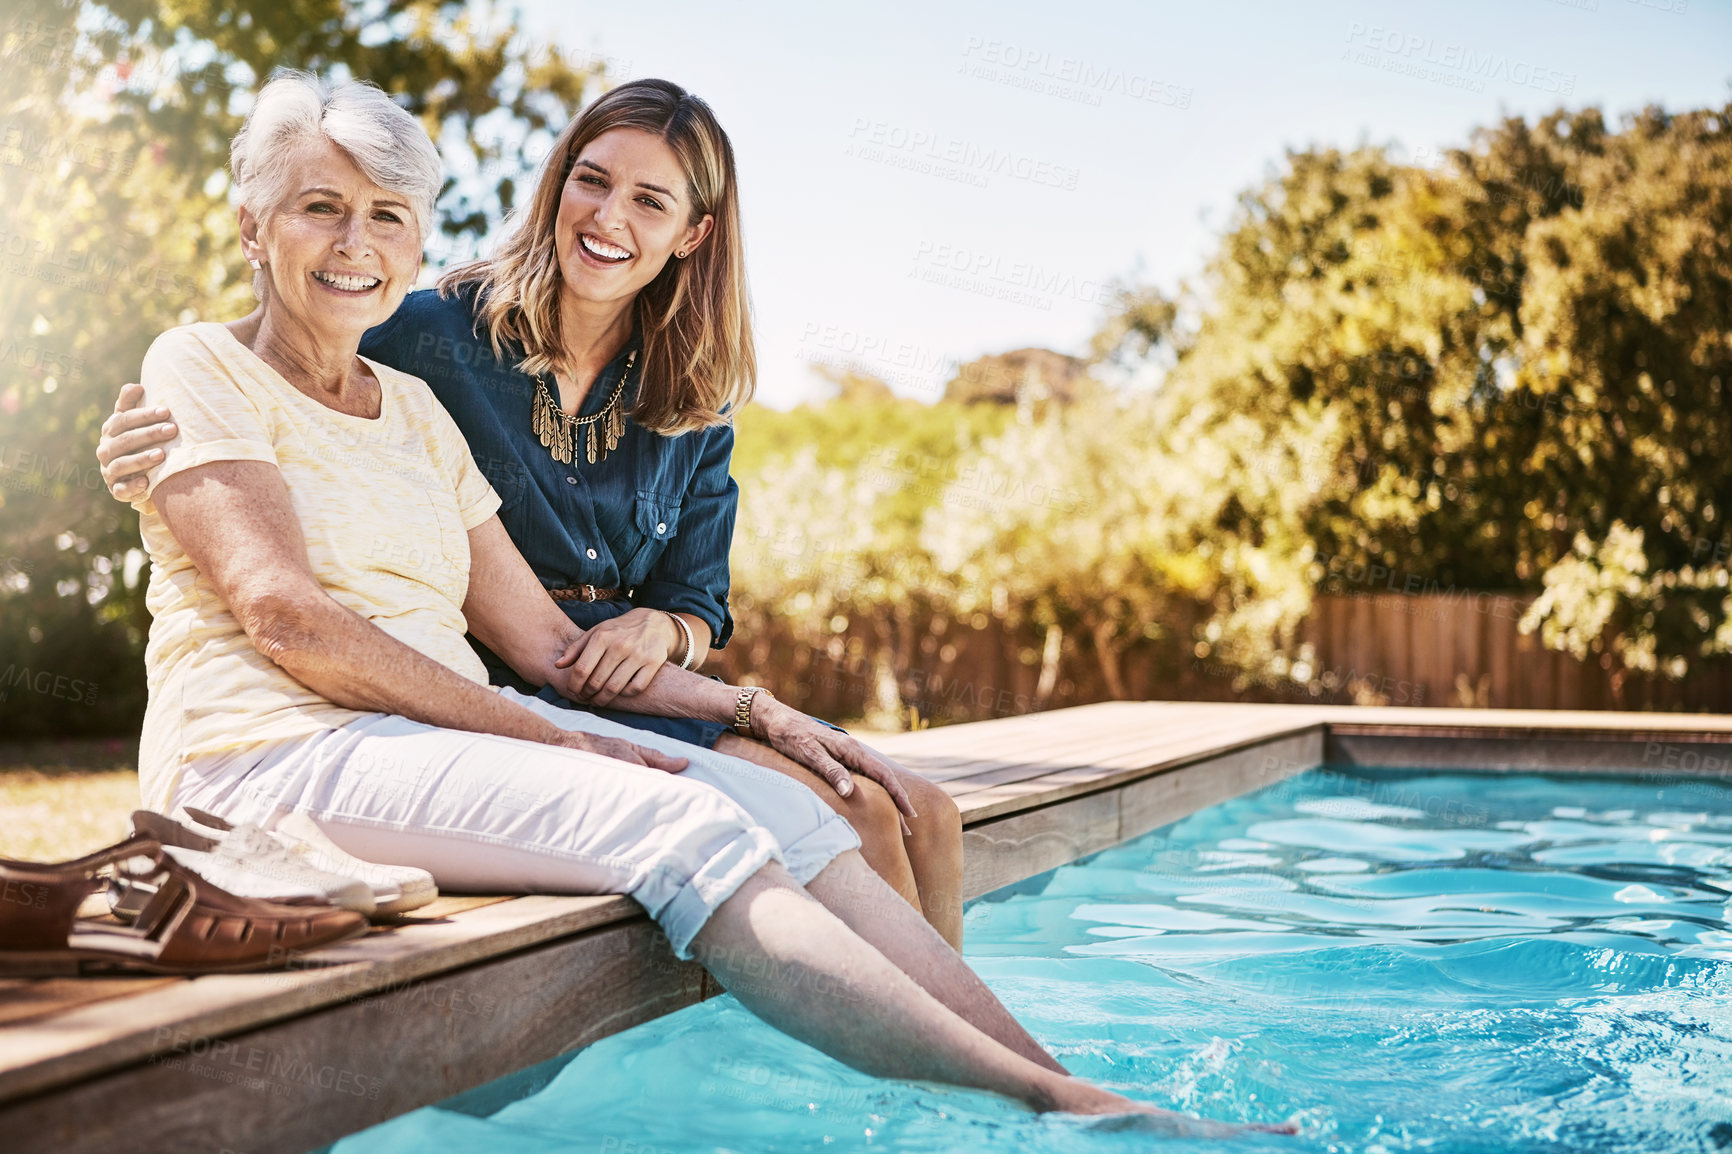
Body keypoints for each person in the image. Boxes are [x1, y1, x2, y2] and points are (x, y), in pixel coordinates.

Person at [117, 71, 1290, 1135]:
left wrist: (766, 716)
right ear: (252, 225)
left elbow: (551, 643)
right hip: (266, 753)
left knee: (800, 810)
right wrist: (546, 734)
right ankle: (1054, 1105)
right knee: (685, 820)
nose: (354, 242)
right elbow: (286, 617)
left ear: (419, 235)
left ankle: (1070, 1088)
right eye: (320, 207)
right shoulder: (202, 364)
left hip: (424, 738)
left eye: (386, 215)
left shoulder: (415, 410)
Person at [97, 77, 964, 947]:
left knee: (922, 809)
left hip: (626, 677)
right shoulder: (430, 331)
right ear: (557, 186)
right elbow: (288, 337)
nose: (608, 217)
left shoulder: (692, 393)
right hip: (492, 680)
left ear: (693, 234)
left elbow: (699, 600)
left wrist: (665, 637)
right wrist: (148, 443)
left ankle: (928, 1062)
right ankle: (858, 1070)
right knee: (855, 819)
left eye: (649, 200)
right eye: (591, 180)